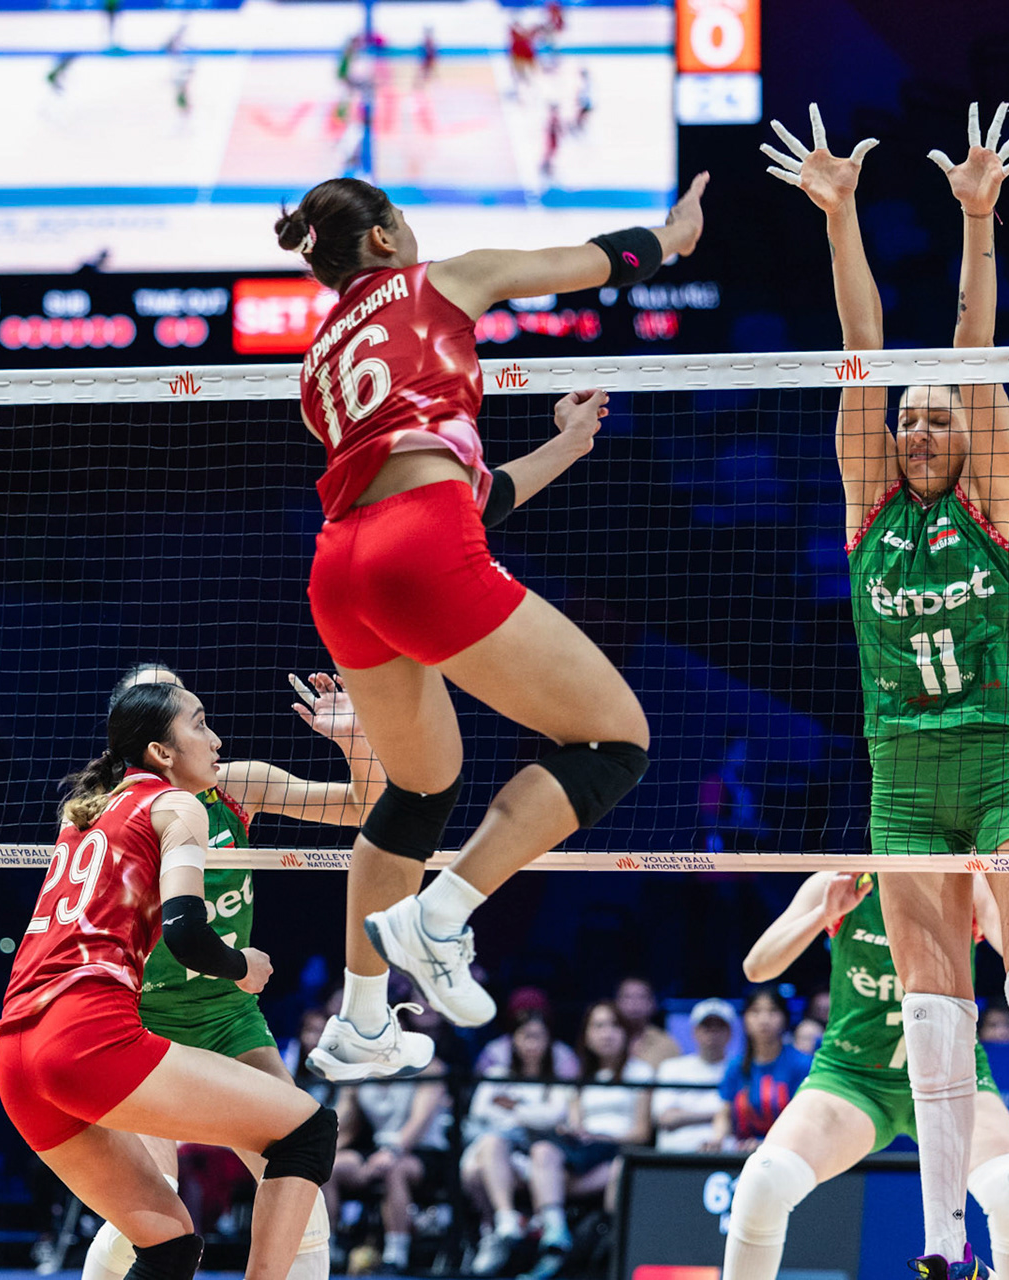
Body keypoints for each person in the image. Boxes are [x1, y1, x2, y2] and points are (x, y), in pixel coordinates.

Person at [761, 102, 1009, 1278]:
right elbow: (863, 345)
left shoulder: (994, 495)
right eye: (906, 419)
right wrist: (841, 214)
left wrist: (978, 222)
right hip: (901, 778)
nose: (918, 428)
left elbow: (972, 348)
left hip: (1004, 755)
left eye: (933, 418)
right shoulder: (869, 510)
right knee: (932, 1016)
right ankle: (938, 1248)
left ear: (961, 434)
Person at [278, 171, 709, 1079]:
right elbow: (593, 262)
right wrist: (670, 238)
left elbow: (466, 490)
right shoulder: (444, 278)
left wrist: (565, 447)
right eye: (404, 216)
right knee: (612, 741)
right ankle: (443, 914)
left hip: (338, 569)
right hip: (417, 551)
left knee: (419, 787)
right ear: (387, 239)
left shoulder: (319, 366)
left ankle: (360, 1021)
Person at [0, 681, 335, 1280]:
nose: (216, 738)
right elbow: (186, 931)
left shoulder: (87, 814)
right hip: (93, 1035)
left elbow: (367, 806)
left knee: (168, 1245)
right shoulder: (178, 805)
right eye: (200, 725)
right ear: (162, 752)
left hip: (17, 1051)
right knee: (308, 1131)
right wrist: (243, 965)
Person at [81, 663, 387, 1280]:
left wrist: (354, 738)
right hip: (137, 1017)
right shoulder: (109, 812)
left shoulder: (235, 787)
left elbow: (368, 808)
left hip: (227, 1015)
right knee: (147, 1210)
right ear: (150, 737)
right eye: (182, 708)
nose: (211, 732)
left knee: (305, 1194)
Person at [723, 872, 1009, 1280]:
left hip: (952, 1076)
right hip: (853, 1080)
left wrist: (1004, 898)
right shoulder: (839, 883)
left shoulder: (967, 883)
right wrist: (824, 913)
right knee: (764, 1181)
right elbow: (757, 967)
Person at [517, 1000, 654, 1280]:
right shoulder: (579, 1076)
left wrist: (598, 1136)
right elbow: (577, 1123)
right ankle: (556, 1236)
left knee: (551, 1179)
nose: (607, 1034)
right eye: (598, 1026)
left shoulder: (641, 1073)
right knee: (542, 1149)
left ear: (626, 1033)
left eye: (614, 1026)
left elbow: (642, 1133)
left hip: (618, 1150)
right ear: (587, 1035)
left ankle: (566, 1244)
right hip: (582, 1151)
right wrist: (577, 1133)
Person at [461, 1010, 576, 1275]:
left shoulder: (556, 1080)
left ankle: (500, 1228)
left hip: (530, 1158)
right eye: (525, 1036)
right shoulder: (497, 1072)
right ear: (513, 1040)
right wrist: (530, 1114)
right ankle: (504, 1223)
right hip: (491, 1152)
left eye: (538, 1037)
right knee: (486, 1152)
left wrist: (511, 1106)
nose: (531, 1043)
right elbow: (480, 1111)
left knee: (481, 1166)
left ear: (549, 1042)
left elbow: (554, 1117)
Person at [329, 1068, 451, 1272]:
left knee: (393, 1169)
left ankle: (396, 1255)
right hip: (377, 1148)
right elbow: (345, 1125)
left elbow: (419, 1122)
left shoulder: (427, 1067)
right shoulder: (359, 1068)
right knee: (330, 1167)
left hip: (424, 1149)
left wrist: (391, 1152)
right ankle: (328, 1247)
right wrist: (321, 1152)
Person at [713, 989, 810, 1151]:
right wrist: (717, 1138)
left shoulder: (802, 1064)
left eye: (772, 1011)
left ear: (785, 1018)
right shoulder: (735, 1066)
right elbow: (724, 1113)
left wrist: (768, 1144)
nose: (764, 1020)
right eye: (755, 1012)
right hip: (741, 1154)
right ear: (744, 1020)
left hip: (791, 1152)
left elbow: (805, 1119)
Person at [652, 999, 736, 1152]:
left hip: (726, 1154)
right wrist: (722, 1115)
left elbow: (744, 1119)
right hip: (674, 1155)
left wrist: (684, 1116)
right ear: (695, 1031)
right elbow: (666, 1119)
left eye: (719, 1027)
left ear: (730, 1032)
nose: (712, 1033)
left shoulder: (739, 1069)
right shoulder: (671, 1067)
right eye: (706, 1027)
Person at [476, 987, 583, 1080]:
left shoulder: (564, 1057)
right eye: (526, 1035)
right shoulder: (494, 1053)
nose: (532, 1044)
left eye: (537, 1035)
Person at [614, 976, 682, 1069]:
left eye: (641, 997)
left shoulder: (666, 1044)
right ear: (617, 1002)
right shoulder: (607, 1040)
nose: (634, 1003)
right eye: (627, 997)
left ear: (653, 1003)